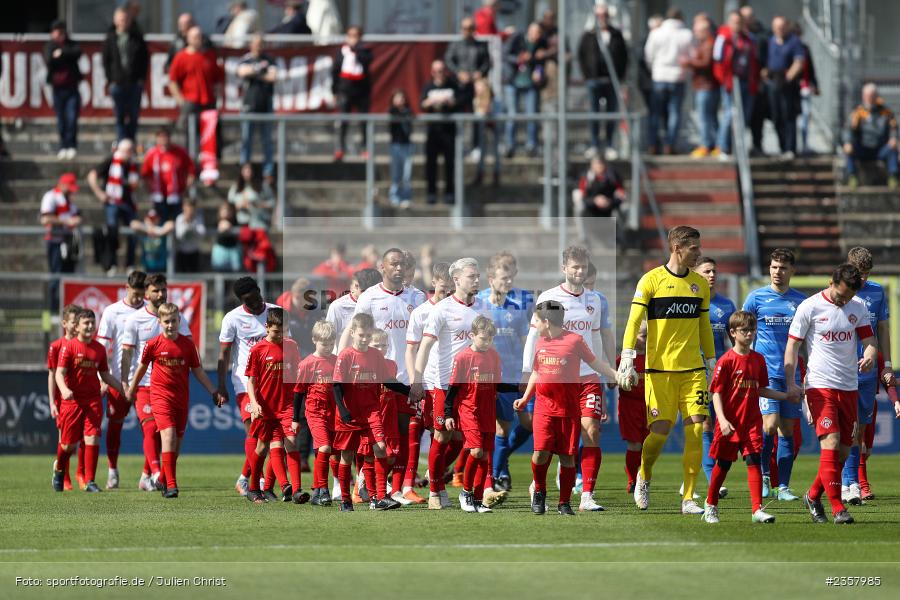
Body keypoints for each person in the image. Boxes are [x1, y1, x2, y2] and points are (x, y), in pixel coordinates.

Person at [617, 226, 715, 514]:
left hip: (693, 371)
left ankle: (688, 498)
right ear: (677, 248)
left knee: (697, 429)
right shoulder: (651, 281)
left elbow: (703, 326)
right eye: (694, 248)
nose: (698, 252)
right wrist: (627, 355)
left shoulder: (700, 284)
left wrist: (710, 360)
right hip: (659, 372)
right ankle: (644, 475)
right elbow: (633, 322)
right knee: (659, 434)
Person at [523, 246, 613, 512]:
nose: (579, 272)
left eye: (583, 267)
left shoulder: (595, 299)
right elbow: (533, 336)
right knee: (551, 446)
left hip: (587, 377)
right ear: (564, 268)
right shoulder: (550, 297)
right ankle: (539, 486)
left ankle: (586, 494)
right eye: (574, 267)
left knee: (592, 431)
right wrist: (528, 371)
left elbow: (596, 335)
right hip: (558, 378)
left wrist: (605, 369)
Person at [786, 264, 878, 525]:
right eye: (841, 295)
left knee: (844, 452)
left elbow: (869, 341)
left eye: (848, 297)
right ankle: (838, 508)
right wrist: (792, 381)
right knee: (832, 442)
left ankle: (813, 495)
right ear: (830, 282)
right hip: (819, 385)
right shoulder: (810, 307)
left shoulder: (857, 307)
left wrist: (870, 355)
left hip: (849, 386)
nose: (844, 301)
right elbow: (793, 345)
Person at [337, 250, 426, 497]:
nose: (398, 268)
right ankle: (363, 481)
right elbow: (353, 330)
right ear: (382, 268)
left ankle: (401, 488)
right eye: (393, 264)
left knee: (408, 431)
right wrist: (340, 360)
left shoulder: (417, 297)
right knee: (374, 437)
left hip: (407, 375)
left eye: (401, 264)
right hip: (376, 377)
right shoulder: (369, 297)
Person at [410, 258, 485, 509]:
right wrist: (417, 381)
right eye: (471, 276)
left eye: (477, 276)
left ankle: (447, 480)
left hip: (471, 386)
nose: (476, 280)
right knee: (441, 435)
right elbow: (425, 346)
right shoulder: (441, 310)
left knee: (466, 440)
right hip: (442, 383)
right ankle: (435, 492)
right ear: (456, 280)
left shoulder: (481, 307)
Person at [703, 310, 788, 524]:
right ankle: (711, 504)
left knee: (754, 461)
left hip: (751, 422)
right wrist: (722, 420)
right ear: (732, 333)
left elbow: (760, 389)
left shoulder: (758, 359)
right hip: (730, 423)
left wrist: (786, 396)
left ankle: (756, 509)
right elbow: (716, 393)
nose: (749, 334)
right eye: (744, 330)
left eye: (752, 330)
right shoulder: (726, 361)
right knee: (723, 465)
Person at [127, 304, 220, 499]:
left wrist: (213, 390)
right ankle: (171, 485)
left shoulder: (187, 346)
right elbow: (142, 368)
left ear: (179, 321)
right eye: (166, 321)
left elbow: (198, 370)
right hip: (160, 397)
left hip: (181, 399)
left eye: (174, 321)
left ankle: (162, 479)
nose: (170, 325)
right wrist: (131, 388)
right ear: (159, 322)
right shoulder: (153, 344)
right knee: (167, 436)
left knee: (176, 444)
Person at [742, 249, 806, 500]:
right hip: (765, 373)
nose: (777, 272)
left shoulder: (800, 302)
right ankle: (765, 475)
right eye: (773, 267)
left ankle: (784, 487)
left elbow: (808, 339)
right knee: (768, 427)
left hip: (791, 373)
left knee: (787, 430)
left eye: (782, 268)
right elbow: (740, 328)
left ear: (792, 271)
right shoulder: (756, 298)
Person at [121, 273, 192, 492]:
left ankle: (147, 475)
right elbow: (127, 354)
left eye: (164, 290)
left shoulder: (177, 319)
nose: (160, 294)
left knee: (168, 438)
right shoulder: (134, 320)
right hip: (144, 384)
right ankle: (157, 473)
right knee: (152, 429)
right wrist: (126, 382)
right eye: (156, 290)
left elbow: (188, 348)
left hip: (171, 385)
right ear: (147, 292)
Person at [332, 313, 406, 511]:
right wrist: (343, 410)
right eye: (361, 335)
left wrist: (409, 391)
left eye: (367, 335)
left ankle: (380, 497)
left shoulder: (375, 355)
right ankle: (346, 500)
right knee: (346, 456)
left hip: (371, 412)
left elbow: (387, 379)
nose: (364, 339)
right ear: (353, 333)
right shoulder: (346, 355)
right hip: (349, 414)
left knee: (380, 448)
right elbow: (337, 386)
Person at [445, 315, 519, 512]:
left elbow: (496, 385)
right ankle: (466, 493)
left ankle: (478, 499)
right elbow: (453, 388)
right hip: (469, 411)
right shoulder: (462, 358)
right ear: (472, 335)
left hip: (488, 410)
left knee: (485, 456)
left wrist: (518, 388)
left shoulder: (493, 356)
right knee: (476, 451)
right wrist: (448, 413)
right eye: (483, 339)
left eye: (490, 339)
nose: (487, 343)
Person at [840, 247, 894, 504]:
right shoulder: (838, 290)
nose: (862, 279)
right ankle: (849, 481)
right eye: (858, 273)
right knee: (846, 425)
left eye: (866, 274)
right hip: (841, 367)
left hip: (868, 370)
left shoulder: (876, 292)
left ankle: (852, 480)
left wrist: (888, 363)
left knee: (860, 426)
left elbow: (882, 327)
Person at [52, 309, 127, 492]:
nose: (90, 326)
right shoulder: (68, 347)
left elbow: (105, 375)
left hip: (93, 400)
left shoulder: (99, 349)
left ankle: (90, 481)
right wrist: (64, 390)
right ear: (76, 327)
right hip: (72, 402)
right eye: (86, 323)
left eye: (93, 323)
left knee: (92, 438)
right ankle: (59, 469)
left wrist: (123, 390)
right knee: (68, 444)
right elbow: (59, 374)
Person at [217, 277, 277, 497]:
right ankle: (257, 483)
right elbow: (223, 354)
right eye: (246, 300)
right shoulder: (232, 318)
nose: (253, 303)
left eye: (255, 297)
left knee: (267, 437)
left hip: (272, 384)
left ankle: (244, 478)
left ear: (260, 291)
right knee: (253, 431)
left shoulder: (276, 312)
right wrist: (221, 385)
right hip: (244, 382)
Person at [243, 308, 308, 504]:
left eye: (283, 331)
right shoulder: (258, 350)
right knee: (262, 447)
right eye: (275, 332)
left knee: (290, 443)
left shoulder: (292, 347)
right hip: (266, 407)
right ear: (267, 328)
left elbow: (297, 375)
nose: (280, 336)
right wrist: (254, 403)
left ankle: (295, 490)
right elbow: (251, 381)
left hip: (286, 405)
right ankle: (254, 488)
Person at [476, 256, 528, 494]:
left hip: (511, 375)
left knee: (520, 426)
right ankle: (494, 478)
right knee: (493, 430)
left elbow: (526, 340)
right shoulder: (479, 304)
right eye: (503, 278)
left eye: (510, 278)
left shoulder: (517, 308)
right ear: (491, 279)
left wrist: (528, 370)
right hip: (486, 377)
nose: (507, 282)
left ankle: (500, 467)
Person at [404, 262, 453, 504]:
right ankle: (433, 488)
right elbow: (411, 350)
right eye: (443, 289)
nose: (447, 293)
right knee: (435, 433)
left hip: (453, 382)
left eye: (450, 288)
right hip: (431, 382)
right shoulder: (421, 312)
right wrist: (416, 380)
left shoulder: (456, 310)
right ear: (434, 284)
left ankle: (434, 476)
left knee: (458, 437)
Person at [96, 270, 147, 490]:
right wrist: (102, 377)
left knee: (151, 429)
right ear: (126, 288)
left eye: (141, 294)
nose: (138, 299)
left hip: (146, 380)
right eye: (135, 294)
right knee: (115, 426)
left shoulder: (149, 311)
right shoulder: (112, 312)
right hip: (119, 380)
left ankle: (147, 475)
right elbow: (101, 347)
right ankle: (112, 471)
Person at [694, 257, 735, 489]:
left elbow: (733, 341)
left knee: (720, 425)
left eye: (714, 271)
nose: (711, 275)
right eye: (706, 271)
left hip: (720, 373)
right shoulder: (689, 302)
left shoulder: (726, 305)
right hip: (694, 372)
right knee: (705, 424)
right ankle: (713, 482)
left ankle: (701, 474)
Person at [294, 320, 338, 506]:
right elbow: (298, 392)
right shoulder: (307, 364)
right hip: (315, 412)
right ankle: (324, 491)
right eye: (323, 343)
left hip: (333, 412)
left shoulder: (337, 361)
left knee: (332, 451)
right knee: (325, 448)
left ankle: (317, 491)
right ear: (314, 340)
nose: (327, 347)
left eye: (330, 343)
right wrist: (296, 419)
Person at [578, 3, 628, 159]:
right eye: (599, 16)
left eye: (604, 15)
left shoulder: (616, 34)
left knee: (611, 113)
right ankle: (594, 144)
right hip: (594, 80)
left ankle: (609, 145)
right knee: (594, 113)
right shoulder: (589, 35)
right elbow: (581, 56)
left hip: (611, 80)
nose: (602, 19)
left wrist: (619, 77)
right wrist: (587, 76)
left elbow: (624, 58)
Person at [644, 7, 692, 155]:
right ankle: (669, 144)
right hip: (678, 77)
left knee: (655, 113)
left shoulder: (656, 33)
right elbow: (690, 56)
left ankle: (652, 144)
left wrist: (655, 68)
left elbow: (649, 55)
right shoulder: (686, 34)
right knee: (674, 113)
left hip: (659, 76)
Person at [87, 139, 140, 276]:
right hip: (112, 202)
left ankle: (130, 263)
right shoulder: (111, 161)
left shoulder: (132, 164)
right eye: (127, 151)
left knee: (134, 231)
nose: (130, 154)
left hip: (128, 203)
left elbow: (135, 184)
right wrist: (99, 194)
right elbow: (92, 176)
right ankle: (111, 263)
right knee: (112, 230)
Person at [712, 10, 759, 159]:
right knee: (729, 114)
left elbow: (754, 60)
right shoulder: (723, 37)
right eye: (734, 22)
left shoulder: (748, 39)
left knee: (744, 117)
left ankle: (738, 148)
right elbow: (718, 60)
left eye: (739, 22)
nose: (737, 25)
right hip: (730, 83)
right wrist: (725, 80)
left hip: (746, 82)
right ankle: (723, 148)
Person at [168, 26, 224, 150]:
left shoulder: (210, 56)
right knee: (189, 135)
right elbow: (173, 81)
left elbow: (218, 78)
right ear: (188, 39)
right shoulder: (181, 57)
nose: (198, 40)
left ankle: (209, 162)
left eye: (199, 37)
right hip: (190, 102)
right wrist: (180, 100)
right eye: (194, 37)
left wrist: (217, 94)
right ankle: (190, 162)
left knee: (210, 134)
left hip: (208, 101)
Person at [48, 304, 84, 491]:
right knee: (66, 441)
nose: (77, 324)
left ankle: (82, 475)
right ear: (65, 323)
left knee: (86, 438)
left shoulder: (84, 345)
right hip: (64, 401)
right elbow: (53, 374)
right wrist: (52, 401)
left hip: (83, 399)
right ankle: (64, 476)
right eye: (73, 321)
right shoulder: (56, 346)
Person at [102, 7, 148, 142]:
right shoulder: (110, 38)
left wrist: (141, 79)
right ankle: (122, 142)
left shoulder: (137, 38)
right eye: (121, 19)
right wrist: (111, 79)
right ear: (115, 21)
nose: (123, 22)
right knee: (119, 115)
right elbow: (106, 61)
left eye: (126, 19)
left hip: (134, 82)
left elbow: (144, 60)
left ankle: (131, 142)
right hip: (117, 83)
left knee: (133, 115)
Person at [502, 23, 547, 157]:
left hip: (530, 84)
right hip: (513, 81)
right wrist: (518, 59)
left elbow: (541, 62)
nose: (537, 36)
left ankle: (531, 145)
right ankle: (510, 145)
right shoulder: (517, 38)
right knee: (512, 114)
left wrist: (538, 71)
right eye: (535, 32)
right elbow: (506, 54)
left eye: (539, 33)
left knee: (531, 114)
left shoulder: (541, 43)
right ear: (529, 31)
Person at [843, 83, 899, 189]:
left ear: (877, 96)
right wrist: (847, 142)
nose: (870, 99)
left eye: (872, 96)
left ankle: (893, 177)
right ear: (863, 97)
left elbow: (894, 128)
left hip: (880, 149)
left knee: (892, 149)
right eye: (868, 96)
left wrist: (893, 139)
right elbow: (849, 130)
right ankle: (852, 176)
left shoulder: (886, 112)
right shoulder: (858, 113)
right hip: (863, 148)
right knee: (848, 149)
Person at [41, 173, 82, 313]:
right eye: (69, 188)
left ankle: (67, 310)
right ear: (62, 184)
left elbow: (76, 214)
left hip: (68, 243)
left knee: (68, 276)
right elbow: (45, 219)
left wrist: (77, 219)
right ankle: (52, 310)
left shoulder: (68, 200)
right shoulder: (51, 196)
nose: (71, 191)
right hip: (55, 242)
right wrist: (67, 221)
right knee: (56, 276)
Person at [420, 60, 460, 205]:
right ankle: (431, 193)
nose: (439, 73)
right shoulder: (428, 86)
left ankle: (450, 193)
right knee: (431, 165)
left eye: (442, 70)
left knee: (450, 164)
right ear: (432, 72)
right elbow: (421, 104)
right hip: (433, 131)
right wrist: (431, 102)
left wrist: (450, 102)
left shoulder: (452, 85)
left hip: (449, 131)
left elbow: (460, 102)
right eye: (436, 70)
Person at [764, 16, 805, 158]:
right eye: (777, 26)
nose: (779, 29)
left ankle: (790, 148)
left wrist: (788, 78)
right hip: (773, 83)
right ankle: (782, 147)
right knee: (776, 117)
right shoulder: (770, 41)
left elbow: (799, 61)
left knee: (788, 116)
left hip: (788, 84)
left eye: (782, 26)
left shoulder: (794, 42)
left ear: (787, 26)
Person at [237, 35, 276, 178]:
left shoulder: (270, 59)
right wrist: (260, 71)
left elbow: (273, 77)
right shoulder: (245, 59)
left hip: (265, 104)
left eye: (261, 43)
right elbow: (242, 72)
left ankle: (268, 171)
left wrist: (254, 72)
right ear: (250, 44)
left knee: (267, 140)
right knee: (246, 139)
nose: (258, 46)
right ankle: (245, 170)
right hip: (249, 105)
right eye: (256, 43)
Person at [332, 26, 372, 162]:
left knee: (363, 121)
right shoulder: (341, 52)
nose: (353, 38)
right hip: (345, 91)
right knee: (343, 121)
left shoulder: (365, 51)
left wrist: (356, 50)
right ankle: (340, 149)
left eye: (355, 36)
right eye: (350, 35)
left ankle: (365, 148)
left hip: (361, 92)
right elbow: (335, 71)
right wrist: (334, 90)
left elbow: (367, 62)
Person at [140, 128, 196, 223]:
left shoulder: (180, 152)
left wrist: (186, 188)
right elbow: (145, 174)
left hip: (176, 196)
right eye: (161, 137)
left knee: (177, 222)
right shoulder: (152, 154)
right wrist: (150, 189)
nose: (163, 139)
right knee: (160, 222)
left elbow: (191, 171)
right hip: (159, 197)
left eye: (165, 136)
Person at [45, 20, 82, 160]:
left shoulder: (71, 44)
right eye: (56, 31)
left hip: (72, 88)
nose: (59, 34)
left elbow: (76, 53)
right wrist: (61, 55)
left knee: (72, 118)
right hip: (57, 89)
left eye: (61, 31)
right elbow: (49, 59)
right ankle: (63, 146)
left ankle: (72, 146)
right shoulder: (50, 46)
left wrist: (61, 53)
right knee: (61, 119)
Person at [618, 322, 648, 493]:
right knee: (634, 444)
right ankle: (632, 479)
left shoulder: (654, 358)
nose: (646, 339)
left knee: (647, 445)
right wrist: (620, 378)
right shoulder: (623, 360)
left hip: (650, 405)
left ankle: (640, 476)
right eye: (643, 335)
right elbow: (611, 384)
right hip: (630, 406)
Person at [324, 268, 381, 353]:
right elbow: (327, 337)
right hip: (346, 359)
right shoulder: (338, 307)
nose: (371, 296)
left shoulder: (382, 302)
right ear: (356, 286)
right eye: (366, 292)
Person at [687, 16, 719, 157]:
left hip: (706, 87)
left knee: (705, 117)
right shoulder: (706, 44)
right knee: (710, 117)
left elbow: (706, 63)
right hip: (706, 86)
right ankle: (716, 144)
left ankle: (706, 144)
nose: (695, 34)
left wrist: (689, 62)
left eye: (697, 31)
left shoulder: (709, 44)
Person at [445, 17, 491, 113]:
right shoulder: (455, 45)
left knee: (477, 113)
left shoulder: (481, 46)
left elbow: (487, 62)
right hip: (459, 85)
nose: (468, 31)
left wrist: (480, 72)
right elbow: (448, 60)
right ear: (461, 29)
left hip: (477, 86)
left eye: (470, 28)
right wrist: (458, 72)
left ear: (474, 29)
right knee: (459, 112)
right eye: (465, 28)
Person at [740, 5, 769, 156]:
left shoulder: (762, 36)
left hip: (757, 83)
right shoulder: (737, 36)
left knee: (757, 116)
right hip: (741, 83)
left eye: (749, 17)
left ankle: (757, 145)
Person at [794, 23, 819, 156]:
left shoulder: (805, 49)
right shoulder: (790, 48)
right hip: (792, 89)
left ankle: (804, 144)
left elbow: (811, 69)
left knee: (805, 116)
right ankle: (792, 146)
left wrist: (815, 85)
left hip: (805, 88)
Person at [472, 78, 501, 187]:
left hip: (494, 127)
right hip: (482, 128)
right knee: (482, 150)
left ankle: (496, 174)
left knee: (496, 150)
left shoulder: (494, 99)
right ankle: (480, 173)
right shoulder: (476, 99)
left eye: (479, 86)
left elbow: (497, 115)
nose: (477, 88)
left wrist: (488, 109)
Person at [229, 163, 274, 229]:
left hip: (258, 221)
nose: (247, 173)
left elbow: (272, 202)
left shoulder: (262, 186)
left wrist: (259, 205)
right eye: (245, 170)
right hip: (240, 221)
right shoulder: (236, 187)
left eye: (249, 170)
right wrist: (239, 205)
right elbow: (229, 204)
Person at [388, 90, 413, 207]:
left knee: (407, 174)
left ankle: (406, 197)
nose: (400, 101)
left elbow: (409, 126)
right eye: (397, 98)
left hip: (406, 145)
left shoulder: (408, 111)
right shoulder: (392, 111)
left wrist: (404, 112)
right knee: (396, 173)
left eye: (402, 98)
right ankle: (394, 196)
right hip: (395, 145)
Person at [173, 200, 204, 273]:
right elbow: (179, 236)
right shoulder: (180, 218)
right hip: (182, 253)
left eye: (192, 209)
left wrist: (192, 225)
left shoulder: (198, 218)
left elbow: (201, 234)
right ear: (184, 208)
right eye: (188, 209)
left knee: (194, 276)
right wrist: (186, 225)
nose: (190, 212)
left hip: (194, 252)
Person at [211, 202, 242, 273]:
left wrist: (230, 227)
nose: (226, 212)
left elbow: (239, 231)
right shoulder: (216, 222)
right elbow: (215, 228)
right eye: (224, 209)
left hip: (233, 250)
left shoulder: (236, 222)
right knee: (219, 273)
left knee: (235, 273)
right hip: (221, 250)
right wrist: (221, 226)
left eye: (228, 210)